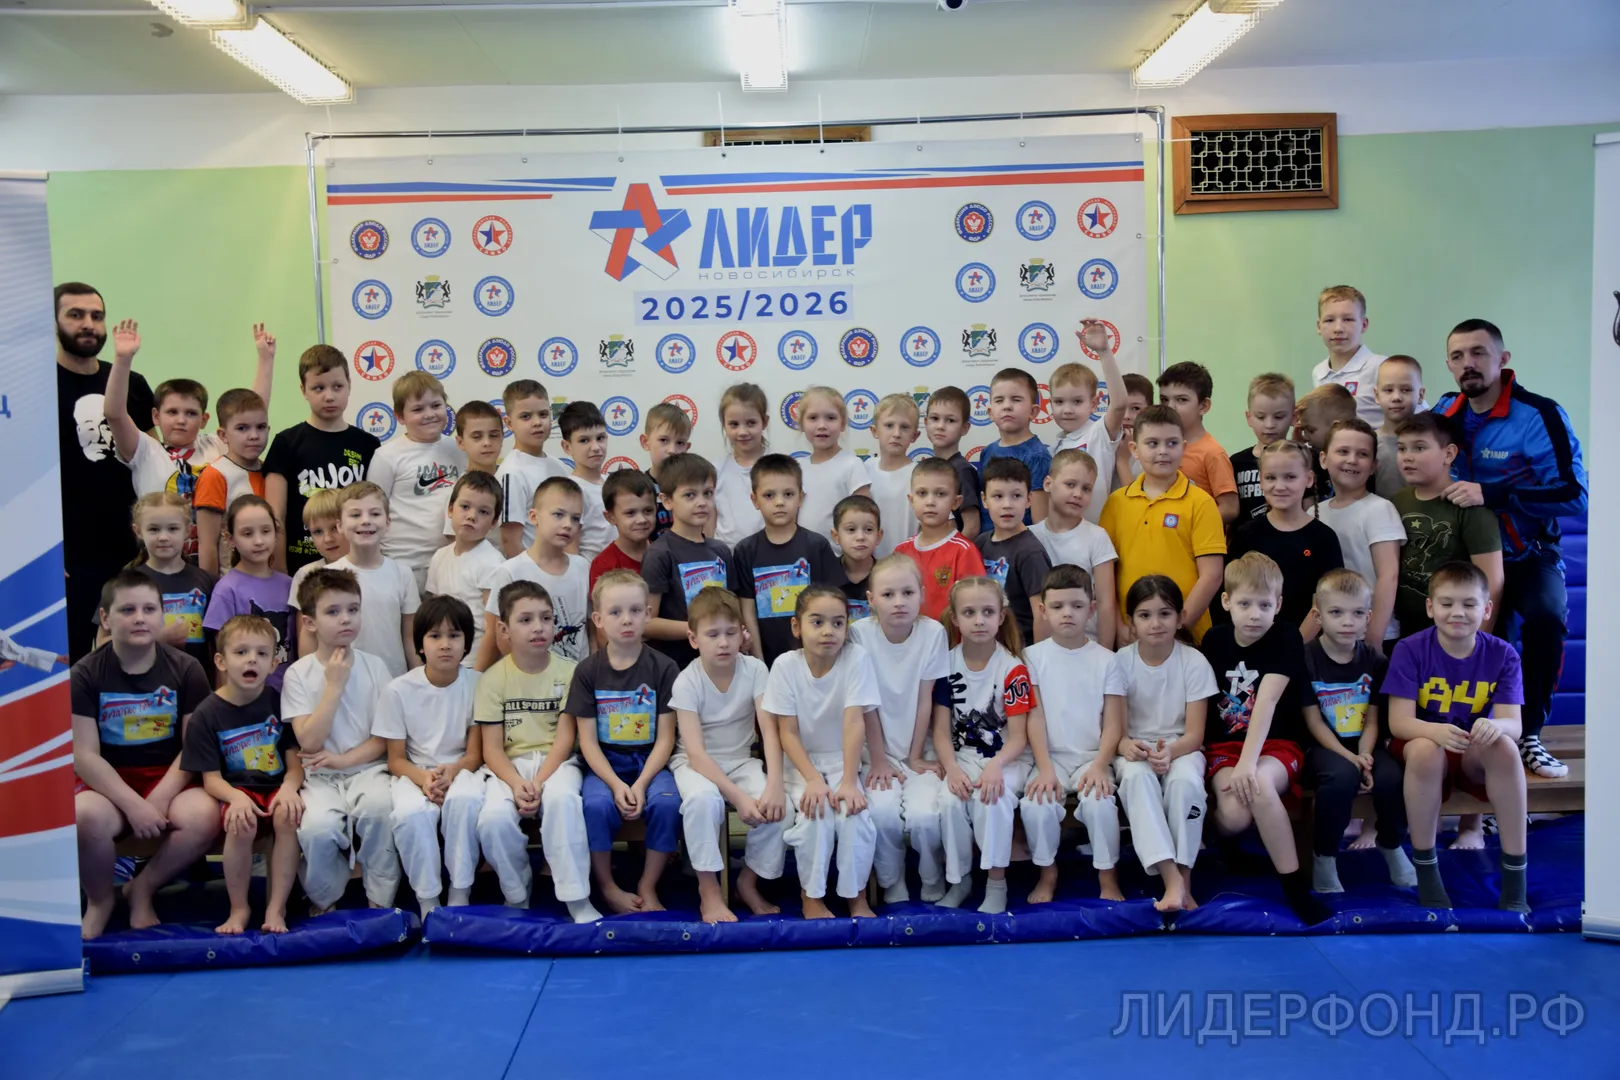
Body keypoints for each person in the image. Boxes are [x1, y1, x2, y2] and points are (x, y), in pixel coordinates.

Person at [1432, 318, 1587, 780]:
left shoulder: (1539, 414)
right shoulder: (1443, 411)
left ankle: (1529, 734)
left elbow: (1574, 495)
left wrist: (1492, 493)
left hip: (1528, 553)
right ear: (1448, 365)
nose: (1468, 363)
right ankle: (1448, 736)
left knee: (1545, 618)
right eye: (1458, 356)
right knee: (1457, 632)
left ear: (1502, 359)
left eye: (1479, 353)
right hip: (1465, 555)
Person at [72, 570, 215, 938]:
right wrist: (133, 805)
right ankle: (100, 899)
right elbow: (84, 756)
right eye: (128, 610)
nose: (139, 618)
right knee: (85, 816)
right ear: (105, 618)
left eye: (149, 609)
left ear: (162, 614)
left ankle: (143, 887)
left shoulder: (187, 669)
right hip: (108, 783)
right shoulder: (84, 675)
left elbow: (192, 747)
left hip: (168, 776)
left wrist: (160, 796)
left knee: (204, 815)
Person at [1385, 562, 1530, 912]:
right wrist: (1434, 731)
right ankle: (1427, 873)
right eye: (1447, 603)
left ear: (1486, 609)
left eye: (1469, 604)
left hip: (1469, 751)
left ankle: (1515, 880)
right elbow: (1399, 722)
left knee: (1504, 747)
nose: (1458, 613)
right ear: (1430, 606)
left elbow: (1513, 724)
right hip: (1424, 745)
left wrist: (1497, 727)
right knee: (1425, 749)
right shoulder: (1410, 649)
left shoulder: (1503, 654)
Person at [1199, 552, 1329, 925]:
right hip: (1226, 746)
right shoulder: (1214, 639)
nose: (1255, 615)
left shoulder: (1286, 636)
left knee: (1257, 783)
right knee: (1234, 814)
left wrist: (1248, 763)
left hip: (1275, 744)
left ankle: (1295, 886)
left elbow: (1267, 702)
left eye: (1264, 605)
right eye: (1245, 604)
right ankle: (1226, 843)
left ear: (1279, 605)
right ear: (1226, 602)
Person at [474, 581, 598, 922]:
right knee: (492, 819)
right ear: (504, 629)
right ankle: (517, 891)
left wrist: (539, 783)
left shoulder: (571, 673)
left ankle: (576, 897)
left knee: (563, 801)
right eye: (525, 620)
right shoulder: (491, 679)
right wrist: (517, 784)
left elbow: (565, 740)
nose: (539, 627)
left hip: (557, 764)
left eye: (546, 618)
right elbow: (492, 749)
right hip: (509, 766)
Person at [105, 320, 276, 563]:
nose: (181, 420)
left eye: (191, 413)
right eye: (172, 412)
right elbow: (114, 414)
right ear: (155, 416)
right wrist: (123, 360)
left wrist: (266, 360)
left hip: (216, 561)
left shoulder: (216, 445)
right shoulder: (145, 451)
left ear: (204, 419)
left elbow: (250, 412)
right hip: (163, 564)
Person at [284, 568, 399, 913]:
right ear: (310, 622)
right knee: (317, 829)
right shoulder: (298, 673)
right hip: (320, 777)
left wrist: (345, 760)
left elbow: (385, 738)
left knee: (380, 810)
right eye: (333, 612)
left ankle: (380, 897)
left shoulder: (376, 667)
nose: (345, 619)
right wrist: (334, 686)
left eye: (353, 609)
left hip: (368, 769)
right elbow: (308, 741)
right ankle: (324, 898)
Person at [669, 588, 787, 923]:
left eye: (731, 633)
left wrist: (775, 784)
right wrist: (737, 797)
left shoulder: (756, 670)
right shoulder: (686, 681)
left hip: (741, 760)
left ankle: (747, 882)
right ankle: (709, 891)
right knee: (703, 801)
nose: (723, 642)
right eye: (713, 635)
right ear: (693, 639)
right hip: (695, 764)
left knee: (781, 808)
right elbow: (695, 753)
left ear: (743, 634)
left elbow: (770, 732)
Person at [180, 614, 303, 935]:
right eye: (241, 652)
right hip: (236, 790)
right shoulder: (207, 713)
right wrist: (235, 798)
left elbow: (295, 764)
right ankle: (239, 907)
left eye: (262, 653)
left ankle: (277, 907)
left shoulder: (279, 703)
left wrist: (289, 789)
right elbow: (211, 779)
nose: (252, 660)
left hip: (276, 786)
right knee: (241, 822)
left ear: (274, 663)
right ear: (221, 661)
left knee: (287, 817)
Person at [763, 586, 881, 918]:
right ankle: (811, 896)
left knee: (855, 816)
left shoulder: (856, 658)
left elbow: (854, 722)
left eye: (838, 623)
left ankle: (856, 895)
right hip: (801, 765)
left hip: (844, 760)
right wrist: (813, 779)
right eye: (817, 622)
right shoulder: (785, 666)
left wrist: (849, 781)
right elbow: (787, 732)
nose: (828, 631)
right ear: (796, 626)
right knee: (815, 815)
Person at [570, 570, 682, 914]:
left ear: (648, 614)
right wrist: (617, 785)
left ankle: (648, 884)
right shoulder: (587, 671)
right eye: (615, 612)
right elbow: (588, 742)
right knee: (595, 806)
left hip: (651, 762)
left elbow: (666, 737)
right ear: (598, 620)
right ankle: (607, 886)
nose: (627, 620)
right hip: (604, 765)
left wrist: (643, 782)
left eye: (635, 610)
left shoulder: (665, 667)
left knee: (667, 803)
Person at [55, 283, 155, 659]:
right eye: (75, 314)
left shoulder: (133, 383)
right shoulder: (34, 389)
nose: (88, 324)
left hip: (132, 553)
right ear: (54, 322)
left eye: (96, 316)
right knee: (77, 664)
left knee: (135, 662)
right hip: (69, 561)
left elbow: (153, 464)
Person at [1106, 575, 1217, 912]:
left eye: (1165, 614)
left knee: (1185, 784)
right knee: (1136, 780)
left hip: (1182, 747)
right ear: (1130, 621)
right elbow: (1116, 730)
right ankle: (1172, 879)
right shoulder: (1119, 662)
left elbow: (1195, 735)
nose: (1155, 623)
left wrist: (1170, 752)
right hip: (1136, 749)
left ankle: (1186, 877)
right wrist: (1125, 745)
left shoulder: (1193, 661)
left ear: (1180, 618)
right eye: (1145, 615)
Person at [1302, 570, 1414, 892]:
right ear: (1318, 616)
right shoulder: (1306, 658)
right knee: (1341, 777)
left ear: (1368, 618)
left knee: (1392, 777)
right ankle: (1325, 856)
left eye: (1357, 613)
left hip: (1365, 744)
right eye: (1336, 612)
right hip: (1322, 747)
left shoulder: (1375, 661)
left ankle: (1391, 844)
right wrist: (1349, 758)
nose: (1347, 622)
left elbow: (1373, 719)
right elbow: (1313, 722)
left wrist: (1364, 755)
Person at [932, 576, 1039, 914]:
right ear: (955, 618)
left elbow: (1019, 736)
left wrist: (996, 766)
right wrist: (951, 769)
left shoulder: (1013, 669)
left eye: (988, 612)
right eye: (969, 612)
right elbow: (940, 732)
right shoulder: (945, 665)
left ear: (1001, 616)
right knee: (950, 801)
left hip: (1007, 758)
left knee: (991, 799)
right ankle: (959, 879)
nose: (979, 620)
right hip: (962, 756)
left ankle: (996, 884)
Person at [848, 555, 950, 904]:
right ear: (871, 600)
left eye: (907, 593)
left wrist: (916, 755)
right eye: (888, 594)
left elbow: (925, 699)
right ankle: (891, 879)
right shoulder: (859, 634)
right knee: (882, 814)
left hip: (920, 748)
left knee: (925, 817)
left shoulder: (933, 633)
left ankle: (931, 875)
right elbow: (866, 704)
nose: (899, 602)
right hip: (874, 751)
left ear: (922, 593)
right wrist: (879, 760)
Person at [1018, 565, 1123, 904]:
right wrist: (1044, 767)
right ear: (1043, 610)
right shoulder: (1031, 658)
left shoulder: (1107, 660)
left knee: (1100, 805)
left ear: (1091, 609)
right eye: (1058, 606)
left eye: (1077, 606)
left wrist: (1100, 765)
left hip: (1092, 758)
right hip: (1049, 759)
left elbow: (1114, 723)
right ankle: (1047, 874)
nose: (1067, 613)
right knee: (1036, 806)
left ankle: (1107, 877)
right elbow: (1033, 717)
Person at [376, 595, 483, 916]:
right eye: (435, 636)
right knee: (410, 814)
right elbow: (395, 760)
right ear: (420, 644)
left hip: (463, 769)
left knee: (465, 802)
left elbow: (475, 755)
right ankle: (428, 901)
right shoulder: (398, 690)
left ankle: (460, 893)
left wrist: (452, 772)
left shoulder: (479, 684)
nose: (445, 644)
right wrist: (425, 779)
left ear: (467, 642)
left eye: (454, 635)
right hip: (414, 771)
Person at [1099, 404, 1225, 644]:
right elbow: (1106, 577)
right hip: (1130, 637)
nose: (1163, 451)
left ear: (1184, 447)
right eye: (1152, 443)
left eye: (1172, 443)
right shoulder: (1116, 503)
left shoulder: (1201, 503)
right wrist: (1119, 626)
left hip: (1187, 639)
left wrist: (1178, 628)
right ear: (1134, 449)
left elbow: (1212, 576)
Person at [264, 345, 381, 575]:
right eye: (318, 388)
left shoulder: (368, 444)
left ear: (349, 384)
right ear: (303, 390)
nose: (329, 396)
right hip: (300, 566)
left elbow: (376, 510)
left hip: (357, 566)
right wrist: (279, 573)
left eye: (337, 386)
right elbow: (275, 516)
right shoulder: (286, 443)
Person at [1390, 413, 1504, 640]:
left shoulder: (1470, 507)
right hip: (1406, 630)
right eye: (1402, 449)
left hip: (1456, 630)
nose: (1407, 457)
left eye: (1419, 448)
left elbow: (1492, 582)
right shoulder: (1396, 502)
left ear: (1449, 454)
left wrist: (1478, 642)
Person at [302, 482, 421, 678]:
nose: (366, 521)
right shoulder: (326, 576)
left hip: (392, 681)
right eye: (355, 515)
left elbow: (409, 637)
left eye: (374, 514)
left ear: (388, 522)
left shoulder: (403, 574)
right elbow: (310, 636)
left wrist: (418, 680)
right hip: (341, 682)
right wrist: (312, 680)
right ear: (340, 525)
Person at [733, 454, 843, 666]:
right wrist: (758, 662)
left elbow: (830, 606)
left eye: (788, 494)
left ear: (801, 497)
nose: (780, 502)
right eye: (769, 495)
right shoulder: (745, 551)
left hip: (813, 661)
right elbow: (748, 611)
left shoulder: (816, 546)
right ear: (755, 500)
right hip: (765, 660)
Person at [1227, 441, 1344, 633]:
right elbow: (1233, 594)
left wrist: (1295, 644)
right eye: (1271, 478)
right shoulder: (1246, 535)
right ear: (1261, 481)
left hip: (1306, 643)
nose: (1279, 486)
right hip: (1253, 639)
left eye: (1290, 477)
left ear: (1309, 479)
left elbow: (1327, 601)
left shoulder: (1324, 538)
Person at [368, 371, 465, 593]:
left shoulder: (458, 449)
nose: (429, 414)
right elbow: (373, 511)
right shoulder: (387, 456)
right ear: (400, 416)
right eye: (418, 409)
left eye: (436, 405)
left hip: (451, 562)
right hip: (406, 565)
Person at [478, 476, 590, 667]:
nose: (567, 524)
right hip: (530, 677)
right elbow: (497, 635)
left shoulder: (583, 567)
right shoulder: (511, 571)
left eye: (575, 518)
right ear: (533, 516)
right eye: (558, 514)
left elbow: (591, 628)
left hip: (577, 676)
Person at [642, 453, 737, 669]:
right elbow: (647, 623)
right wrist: (700, 631)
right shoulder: (660, 553)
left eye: (708, 493)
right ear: (667, 501)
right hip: (678, 667)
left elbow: (733, 609)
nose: (701, 502)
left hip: (723, 665)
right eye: (689, 495)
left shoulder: (721, 551)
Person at [1316, 420, 1405, 646]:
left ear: (1373, 466)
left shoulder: (1379, 509)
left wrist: (1374, 638)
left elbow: (1388, 576)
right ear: (1323, 459)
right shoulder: (1314, 512)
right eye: (1343, 451)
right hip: (1329, 635)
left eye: (1362, 454)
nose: (1352, 460)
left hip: (1373, 635)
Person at [202, 495, 294, 689]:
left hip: (289, 695)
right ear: (230, 538)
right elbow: (222, 659)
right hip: (245, 697)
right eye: (247, 533)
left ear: (276, 532)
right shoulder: (227, 590)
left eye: (266, 531)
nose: (259, 541)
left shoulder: (290, 585)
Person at [1030, 448, 1118, 647]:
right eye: (1070, 484)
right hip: (1042, 648)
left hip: (1088, 644)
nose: (1078, 494)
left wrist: (1105, 654)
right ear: (1048, 484)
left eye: (1086, 489)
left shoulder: (1097, 537)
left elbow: (1106, 603)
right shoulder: (1030, 537)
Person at [1048, 321, 1129, 525]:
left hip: (1098, 534)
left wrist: (1104, 352)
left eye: (1077, 401)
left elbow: (1119, 404)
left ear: (1093, 404)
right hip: (1061, 536)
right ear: (1050, 404)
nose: (1067, 410)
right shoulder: (1052, 449)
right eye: (1059, 402)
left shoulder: (1099, 433)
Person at [125, 491, 216, 670]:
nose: (163, 537)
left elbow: (222, 645)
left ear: (188, 530)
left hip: (197, 684)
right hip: (144, 684)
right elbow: (103, 643)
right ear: (138, 531)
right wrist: (156, 639)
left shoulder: (208, 582)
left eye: (173, 529)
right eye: (154, 529)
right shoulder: (126, 584)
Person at [425, 471, 505, 666]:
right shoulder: (439, 557)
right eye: (465, 507)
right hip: (442, 661)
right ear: (450, 509)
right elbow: (434, 616)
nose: (471, 516)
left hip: (473, 663)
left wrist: (477, 673)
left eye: (483, 512)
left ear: (494, 522)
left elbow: (494, 631)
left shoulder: (493, 563)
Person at [896, 456, 988, 623]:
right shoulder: (901, 551)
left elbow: (976, 608)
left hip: (951, 638)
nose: (930, 502)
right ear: (911, 500)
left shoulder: (964, 551)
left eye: (940, 494)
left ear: (956, 502)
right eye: (922, 493)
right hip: (908, 638)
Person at [196, 388, 272, 575]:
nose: (254, 435)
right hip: (229, 581)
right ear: (223, 435)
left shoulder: (271, 471)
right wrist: (211, 588)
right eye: (242, 428)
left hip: (268, 578)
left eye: (261, 427)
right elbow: (207, 544)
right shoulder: (215, 475)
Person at [976, 458, 1052, 643]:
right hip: (987, 645)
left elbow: (1042, 614)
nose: (1007, 504)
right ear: (984, 500)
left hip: (1020, 648)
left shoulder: (1030, 552)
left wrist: (1036, 657)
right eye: (998, 496)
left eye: (1016, 496)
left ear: (1029, 500)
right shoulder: (980, 543)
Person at [494, 379, 570, 557]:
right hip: (533, 571)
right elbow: (511, 542)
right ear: (509, 423)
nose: (537, 422)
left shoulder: (559, 466)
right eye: (525, 416)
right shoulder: (511, 473)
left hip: (562, 565)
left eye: (543, 414)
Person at [1157, 361, 1238, 525]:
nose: (1170, 407)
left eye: (1181, 400)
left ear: (1203, 406)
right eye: (1164, 399)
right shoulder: (1158, 448)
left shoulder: (1212, 453)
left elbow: (1230, 508)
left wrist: (1190, 524)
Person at [977, 368, 1051, 529]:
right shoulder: (987, 452)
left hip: (1021, 542)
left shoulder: (1037, 456)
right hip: (987, 542)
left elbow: (1040, 523)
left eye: (1016, 400)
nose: (1007, 406)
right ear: (990, 413)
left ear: (1033, 411)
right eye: (999, 400)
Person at [797, 386, 871, 541]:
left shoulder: (852, 465)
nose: (821, 426)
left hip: (841, 554)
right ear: (802, 424)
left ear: (843, 423)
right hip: (803, 553)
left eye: (830, 418)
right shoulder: (797, 468)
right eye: (813, 418)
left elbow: (865, 517)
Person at [1311, 285, 1387, 428]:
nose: (1338, 328)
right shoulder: (1318, 373)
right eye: (1329, 320)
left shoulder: (1382, 367)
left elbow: (1417, 414)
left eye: (1348, 319)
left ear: (1364, 325)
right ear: (1318, 326)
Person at [1232, 373, 1296, 524]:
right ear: (1249, 417)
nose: (1269, 425)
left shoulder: (1302, 461)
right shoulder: (1236, 463)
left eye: (1279, 417)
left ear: (1294, 417)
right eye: (1261, 417)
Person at [713, 383, 769, 548]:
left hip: (770, 556)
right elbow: (709, 519)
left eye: (751, 423)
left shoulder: (780, 467)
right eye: (734, 424)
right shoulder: (715, 470)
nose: (742, 432)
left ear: (764, 422)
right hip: (727, 557)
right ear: (724, 424)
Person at [864, 393, 920, 557]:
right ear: (874, 431)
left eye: (905, 427)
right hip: (869, 565)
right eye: (889, 425)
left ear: (915, 436)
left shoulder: (921, 475)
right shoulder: (864, 469)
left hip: (909, 564)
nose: (896, 433)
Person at [923, 386, 981, 541]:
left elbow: (972, 526)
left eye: (950, 420)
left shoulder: (962, 470)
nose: (940, 426)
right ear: (926, 422)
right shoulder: (928, 470)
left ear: (965, 428)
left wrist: (952, 552)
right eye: (935, 418)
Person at [558, 401, 613, 562]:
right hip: (591, 574)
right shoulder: (571, 491)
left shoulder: (612, 482)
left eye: (600, 438)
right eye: (584, 440)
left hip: (622, 573)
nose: (595, 447)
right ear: (567, 447)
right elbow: (570, 551)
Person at [285, 488, 350, 626]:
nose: (328, 539)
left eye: (335, 528)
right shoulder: (306, 575)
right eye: (318, 532)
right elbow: (303, 632)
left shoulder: (369, 568)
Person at [588, 469, 658, 595]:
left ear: (656, 509)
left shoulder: (665, 553)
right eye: (630, 513)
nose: (641, 519)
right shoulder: (604, 565)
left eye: (648, 511)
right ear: (610, 517)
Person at [1292, 384, 1358, 502]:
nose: (1305, 437)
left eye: (1310, 430)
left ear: (1335, 427)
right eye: (1303, 430)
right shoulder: (1312, 459)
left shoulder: (1357, 463)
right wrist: (1297, 450)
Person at [1372, 355, 1425, 498]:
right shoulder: (1369, 443)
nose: (1396, 397)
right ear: (1376, 395)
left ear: (1420, 395)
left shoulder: (1430, 443)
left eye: (1406, 390)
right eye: (1388, 390)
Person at [639, 402, 692, 541]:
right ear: (645, 442)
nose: (672, 450)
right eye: (663, 440)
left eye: (679, 443)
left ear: (687, 448)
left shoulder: (693, 486)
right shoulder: (638, 487)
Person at [832, 495, 880, 621]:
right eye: (851, 529)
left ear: (878, 536)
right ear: (836, 536)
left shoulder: (887, 576)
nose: (860, 537)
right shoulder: (826, 576)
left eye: (868, 529)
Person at [1109, 373, 1156, 493]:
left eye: (1135, 408)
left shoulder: (1155, 450)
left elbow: (1137, 500)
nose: (1126, 416)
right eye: (1120, 408)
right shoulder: (1100, 442)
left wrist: (1122, 459)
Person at [453, 399, 506, 476]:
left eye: (493, 435)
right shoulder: (459, 484)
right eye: (477, 436)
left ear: (502, 437)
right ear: (460, 442)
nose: (487, 443)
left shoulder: (514, 478)